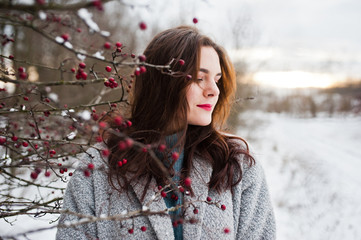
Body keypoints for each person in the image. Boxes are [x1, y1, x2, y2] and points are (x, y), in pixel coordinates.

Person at [56, 26, 276, 240]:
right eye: (200, 78)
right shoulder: (101, 166)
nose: (214, 90)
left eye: (217, 80)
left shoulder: (236, 166)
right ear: (164, 82)